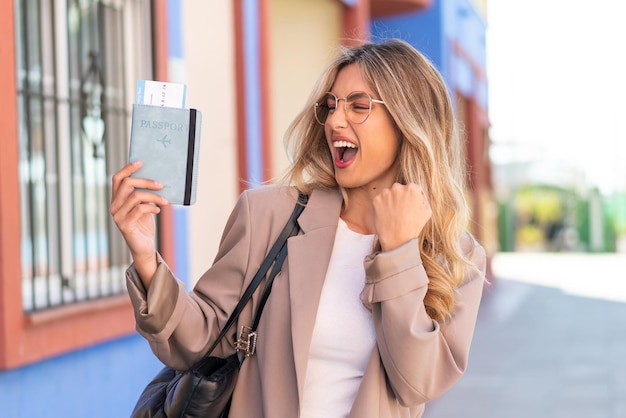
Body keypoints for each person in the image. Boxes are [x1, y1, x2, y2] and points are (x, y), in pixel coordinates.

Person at [110, 38, 487, 418]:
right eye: (331, 105)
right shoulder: (270, 215)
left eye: (359, 106)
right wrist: (145, 256)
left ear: (411, 121)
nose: (336, 120)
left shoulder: (457, 257)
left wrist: (400, 252)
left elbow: (416, 384)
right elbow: (199, 337)